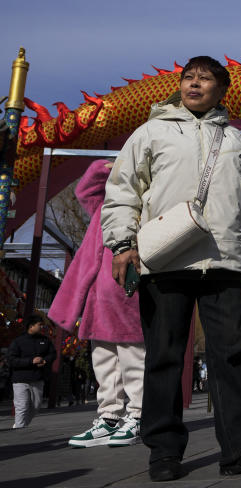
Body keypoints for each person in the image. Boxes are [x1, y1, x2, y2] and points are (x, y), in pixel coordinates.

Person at [102, 55, 241, 480]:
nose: (194, 84)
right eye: (189, 78)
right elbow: (123, 191)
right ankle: (164, 452)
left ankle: (239, 451)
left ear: (221, 91)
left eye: (205, 80)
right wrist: (122, 244)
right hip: (166, 260)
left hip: (225, 259)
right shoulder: (150, 133)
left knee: (231, 357)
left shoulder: (240, 142)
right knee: (165, 357)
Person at [47, 159, 146, 447]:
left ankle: (138, 415)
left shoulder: (145, 207)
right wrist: (110, 166)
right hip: (98, 297)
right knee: (103, 360)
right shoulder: (103, 207)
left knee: (132, 358)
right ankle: (109, 416)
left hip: (129, 293)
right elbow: (85, 189)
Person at [7, 314, 55, 428]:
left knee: (36, 406)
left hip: (37, 378)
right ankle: (19, 430)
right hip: (20, 379)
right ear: (31, 326)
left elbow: (53, 354)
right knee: (22, 406)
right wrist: (30, 361)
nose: (42, 327)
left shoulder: (45, 340)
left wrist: (45, 361)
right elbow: (11, 360)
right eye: (40, 325)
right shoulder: (18, 341)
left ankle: (20, 425)